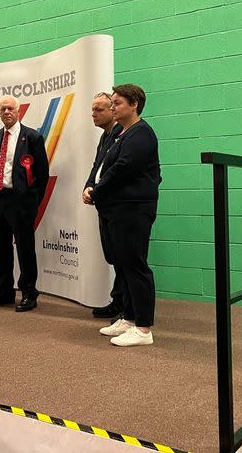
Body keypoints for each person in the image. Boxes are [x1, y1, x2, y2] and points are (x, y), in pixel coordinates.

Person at [84, 84, 161, 346]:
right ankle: (128, 317)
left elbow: (121, 170)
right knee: (123, 265)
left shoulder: (142, 133)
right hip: (116, 209)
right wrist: (93, 188)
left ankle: (143, 329)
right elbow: (104, 167)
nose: (113, 107)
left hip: (132, 210)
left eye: (117, 103)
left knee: (135, 266)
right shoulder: (123, 134)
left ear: (134, 105)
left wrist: (96, 191)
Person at [0, 95, 49, 312]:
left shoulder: (32, 136)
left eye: (10, 108)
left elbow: (42, 174)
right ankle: (4, 291)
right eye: (3, 109)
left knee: (25, 248)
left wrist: (32, 201)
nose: (6, 112)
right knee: (0, 247)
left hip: (21, 201)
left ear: (18, 111)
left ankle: (29, 293)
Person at [82, 92, 124, 320]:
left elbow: (115, 172)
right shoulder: (105, 137)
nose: (93, 114)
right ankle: (118, 301)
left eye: (99, 109)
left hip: (118, 206)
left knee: (122, 258)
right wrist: (88, 186)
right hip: (105, 205)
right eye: (92, 109)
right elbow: (97, 167)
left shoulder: (122, 135)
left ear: (112, 111)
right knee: (113, 256)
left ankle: (124, 305)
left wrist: (96, 191)